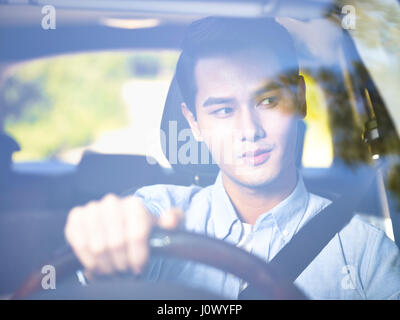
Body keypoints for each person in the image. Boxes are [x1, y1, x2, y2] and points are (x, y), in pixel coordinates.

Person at [65, 17, 400, 299]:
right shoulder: (159, 214)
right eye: (224, 110)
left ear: (300, 99)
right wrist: (108, 241)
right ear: (194, 122)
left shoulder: (367, 256)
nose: (249, 130)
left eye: (268, 101)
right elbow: (130, 225)